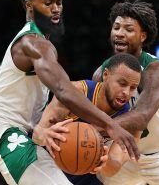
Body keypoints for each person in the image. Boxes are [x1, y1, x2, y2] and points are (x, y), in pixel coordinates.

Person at [0, 0, 139, 184]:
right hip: (0, 129)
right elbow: (63, 89)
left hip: (23, 132)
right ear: (29, 6)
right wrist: (110, 125)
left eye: (59, 2)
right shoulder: (32, 43)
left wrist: (38, 131)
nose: (56, 8)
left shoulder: (43, 42)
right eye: (48, 2)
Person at [93, 0, 159, 185]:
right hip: (122, 156)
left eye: (128, 29)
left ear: (143, 36)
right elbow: (93, 112)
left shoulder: (155, 70)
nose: (120, 33)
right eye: (116, 28)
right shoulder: (102, 73)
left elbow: (140, 117)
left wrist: (98, 126)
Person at [35, 53, 142, 185]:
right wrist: (44, 135)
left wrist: (103, 161)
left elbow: (111, 169)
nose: (126, 92)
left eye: (133, 88)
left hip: (85, 175)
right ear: (106, 75)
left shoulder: (130, 121)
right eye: (122, 83)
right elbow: (37, 135)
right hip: (48, 167)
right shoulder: (75, 93)